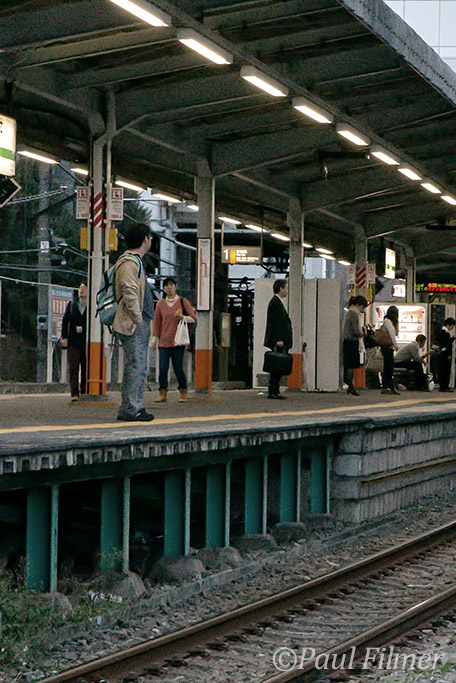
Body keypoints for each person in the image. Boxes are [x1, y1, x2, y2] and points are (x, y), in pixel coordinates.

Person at [112, 222, 155, 422]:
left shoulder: (135, 261)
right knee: (136, 365)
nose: (151, 240)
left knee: (138, 365)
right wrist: (137, 318)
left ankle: (134, 405)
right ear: (145, 239)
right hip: (133, 322)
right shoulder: (129, 262)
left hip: (139, 321)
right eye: (150, 237)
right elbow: (129, 291)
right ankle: (131, 408)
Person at [152, 277, 196, 403]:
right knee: (162, 368)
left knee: (178, 368)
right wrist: (154, 339)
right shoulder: (160, 304)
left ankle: (183, 392)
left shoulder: (182, 302)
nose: (169, 288)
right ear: (164, 289)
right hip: (163, 342)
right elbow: (157, 323)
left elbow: (193, 318)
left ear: (176, 286)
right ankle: (162, 393)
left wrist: (182, 317)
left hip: (178, 342)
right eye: (166, 286)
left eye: (171, 285)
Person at [263, 279, 292, 399]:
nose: (287, 291)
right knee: (277, 367)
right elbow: (276, 323)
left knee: (278, 366)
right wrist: (278, 339)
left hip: (280, 340)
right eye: (286, 288)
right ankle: (273, 391)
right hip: (278, 341)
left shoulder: (277, 302)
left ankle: (275, 390)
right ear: (280, 288)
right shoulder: (275, 303)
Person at [61, 282, 87, 402]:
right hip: (73, 341)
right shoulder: (72, 305)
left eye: (84, 288)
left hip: (87, 342)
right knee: (73, 367)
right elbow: (65, 321)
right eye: (80, 288)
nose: (81, 290)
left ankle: (84, 390)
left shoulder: (92, 306)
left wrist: (84, 329)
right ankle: (74, 393)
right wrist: (64, 337)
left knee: (86, 367)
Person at [343, 295, 368, 396]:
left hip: (347, 342)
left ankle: (350, 386)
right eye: (362, 306)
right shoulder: (354, 314)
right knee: (351, 365)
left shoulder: (350, 312)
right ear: (358, 304)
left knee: (348, 365)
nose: (362, 309)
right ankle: (350, 385)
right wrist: (364, 333)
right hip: (352, 342)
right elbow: (356, 331)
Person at [380, 305, 401, 395]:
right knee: (389, 367)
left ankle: (387, 386)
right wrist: (395, 345)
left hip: (387, 347)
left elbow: (396, 333)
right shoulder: (388, 322)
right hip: (387, 347)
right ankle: (388, 386)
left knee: (388, 367)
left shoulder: (388, 321)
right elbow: (392, 334)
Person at [436, 317, 455, 392]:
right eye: (452, 326)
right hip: (445, 355)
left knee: (442, 370)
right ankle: (444, 386)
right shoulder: (445, 333)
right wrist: (453, 338)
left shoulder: (441, 332)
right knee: (446, 371)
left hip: (441, 354)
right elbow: (447, 344)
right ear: (449, 325)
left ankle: (443, 386)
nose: (452, 328)